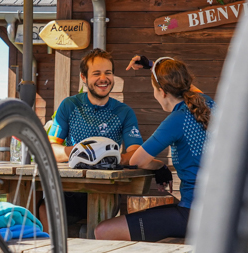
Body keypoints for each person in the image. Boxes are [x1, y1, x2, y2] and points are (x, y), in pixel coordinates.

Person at [94, 56, 215, 242]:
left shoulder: (176, 120)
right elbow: (186, 86)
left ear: (162, 92)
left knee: (104, 231)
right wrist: (152, 66)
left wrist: (159, 165)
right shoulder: (208, 103)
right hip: (221, 212)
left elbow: (136, 161)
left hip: (195, 215)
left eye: (154, 89)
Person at [40, 48, 143, 230]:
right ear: (84, 77)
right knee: (41, 207)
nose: (103, 78)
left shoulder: (124, 112)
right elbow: (49, 149)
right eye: (96, 73)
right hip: (70, 188)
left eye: (108, 73)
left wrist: (107, 157)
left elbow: (135, 152)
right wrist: (83, 152)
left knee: (98, 221)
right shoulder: (69, 105)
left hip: (107, 190)